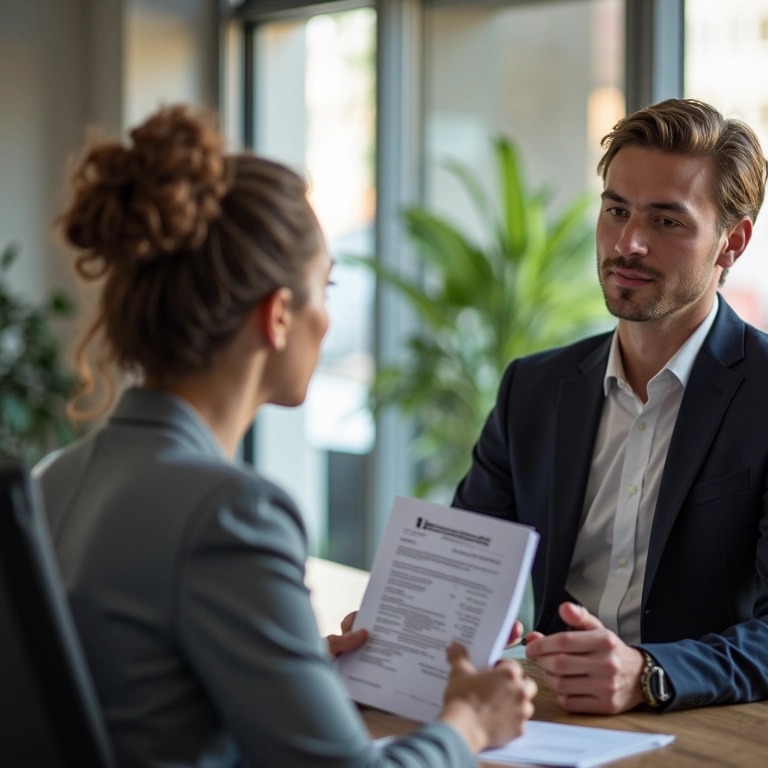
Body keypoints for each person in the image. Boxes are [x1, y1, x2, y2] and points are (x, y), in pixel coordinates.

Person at [35, 106, 536, 768]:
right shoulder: (230, 512)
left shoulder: (57, 477)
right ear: (276, 315)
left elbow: (145, 700)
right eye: (323, 289)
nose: (327, 319)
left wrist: (293, 674)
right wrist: (469, 722)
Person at [452, 98, 768, 714]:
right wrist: (402, 626)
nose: (629, 244)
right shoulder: (534, 388)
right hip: (543, 712)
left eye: (667, 222)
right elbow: (464, 568)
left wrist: (649, 672)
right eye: (616, 211)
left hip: (702, 720)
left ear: (731, 244)